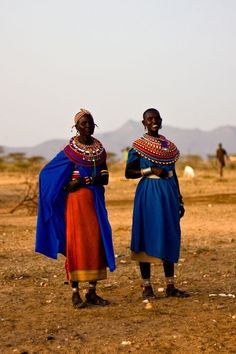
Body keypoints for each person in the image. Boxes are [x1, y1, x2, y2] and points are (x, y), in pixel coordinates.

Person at [36, 108, 115, 308]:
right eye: (83, 124)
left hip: (95, 201)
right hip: (76, 204)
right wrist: (62, 187)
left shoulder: (100, 151)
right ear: (76, 127)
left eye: (90, 123)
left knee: (95, 242)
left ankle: (92, 292)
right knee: (77, 244)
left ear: (95, 124)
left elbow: (104, 178)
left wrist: (83, 180)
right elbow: (47, 173)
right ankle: (75, 293)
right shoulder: (69, 152)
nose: (87, 126)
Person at [125, 108, 189, 299]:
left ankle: (170, 286)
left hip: (169, 193)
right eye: (150, 119)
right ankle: (147, 287)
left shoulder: (169, 146)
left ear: (161, 121)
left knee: (169, 233)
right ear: (143, 122)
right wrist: (149, 170)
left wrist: (179, 198)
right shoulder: (138, 146)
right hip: (149, 193)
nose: (154, 121)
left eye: (157, 118)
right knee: (146, 234)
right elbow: (128, 173)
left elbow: (174, 174)